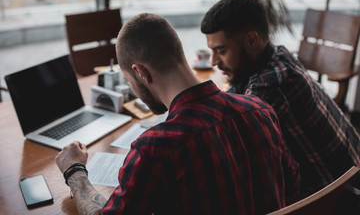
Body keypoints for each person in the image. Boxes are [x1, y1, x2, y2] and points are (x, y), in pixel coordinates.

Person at [56, 13, 300, 215]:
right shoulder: (261, 110)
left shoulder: (155, 148)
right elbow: (292, 185)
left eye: (129, 80)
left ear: (141, 72)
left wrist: (74, 171)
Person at [201, 0, 360, 196]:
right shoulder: (276, 54)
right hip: (345, 168)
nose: (213, 61)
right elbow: (235, 93)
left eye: (221, 51)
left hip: (333, 193)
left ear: (252, 40)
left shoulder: (272, 86)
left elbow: (227, 142)